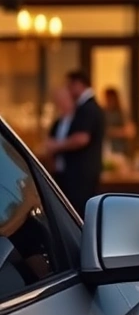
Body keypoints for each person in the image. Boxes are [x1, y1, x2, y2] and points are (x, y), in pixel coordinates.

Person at [44, 71, 105, 216]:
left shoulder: (87, 109)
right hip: (65, 175)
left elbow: (82, 138)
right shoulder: (61, 121)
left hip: (80, 176)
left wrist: (56, 146)